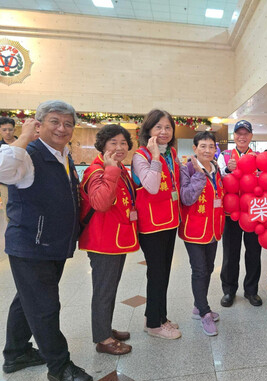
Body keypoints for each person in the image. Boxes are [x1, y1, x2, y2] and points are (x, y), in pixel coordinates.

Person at [1, 100, 93, 381]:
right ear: (39, 124)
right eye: (54, 122)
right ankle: (59, 366)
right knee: (45, 306)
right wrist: (26, 135)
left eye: (68, 124)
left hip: (52, 244)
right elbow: (3, 169)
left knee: (26, 300)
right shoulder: (28, 153)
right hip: (31, 244)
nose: (62, 128)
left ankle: (16, 353)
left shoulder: (62, 154)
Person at [79, 124, 138, 355]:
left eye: (123, 143)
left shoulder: (119, 168)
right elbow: (101, 203)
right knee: (104, 290)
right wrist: (111, 170)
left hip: (115, 239)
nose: (119, 147)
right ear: (102, 145)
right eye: (113, 142)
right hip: (103, 241)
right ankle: (103, 339)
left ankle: (105, 328)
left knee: (109, 289)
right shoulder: (96, 170)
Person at [131, 109, 182, 340]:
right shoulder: (140, 156)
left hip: (169, 221)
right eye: (158, 127)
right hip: (151, 224)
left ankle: (159, 316)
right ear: (148, 130)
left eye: (168, 127)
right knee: (156, 273)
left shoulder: (171, 153)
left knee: (164, 273)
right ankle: (153, 324)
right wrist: (154, 157)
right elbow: (151, 186)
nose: (164, 132)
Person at [179, 131, 225, 336]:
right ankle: (204, 313)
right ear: (195, 148)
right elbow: (187, 198)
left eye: (211, 146)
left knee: (208, 268)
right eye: (203, 146)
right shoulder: (187, 168)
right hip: (194, 229)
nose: (208, 150)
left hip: (213, 229)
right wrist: (198, 174)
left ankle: (200, 306)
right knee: (199, 270)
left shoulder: (216, 169)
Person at [217, 120, 262, 307]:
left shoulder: (259, 157)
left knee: (253, 253)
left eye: (246, 133)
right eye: (239, 133)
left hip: (253, 212)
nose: (242, 137)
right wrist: (228, 169)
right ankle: (229, 291)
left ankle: (251, 291)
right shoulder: (225, 155)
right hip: (231, 213)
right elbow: (218, 178)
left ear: (251, 136)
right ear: (233, 136)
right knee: (230, 253)